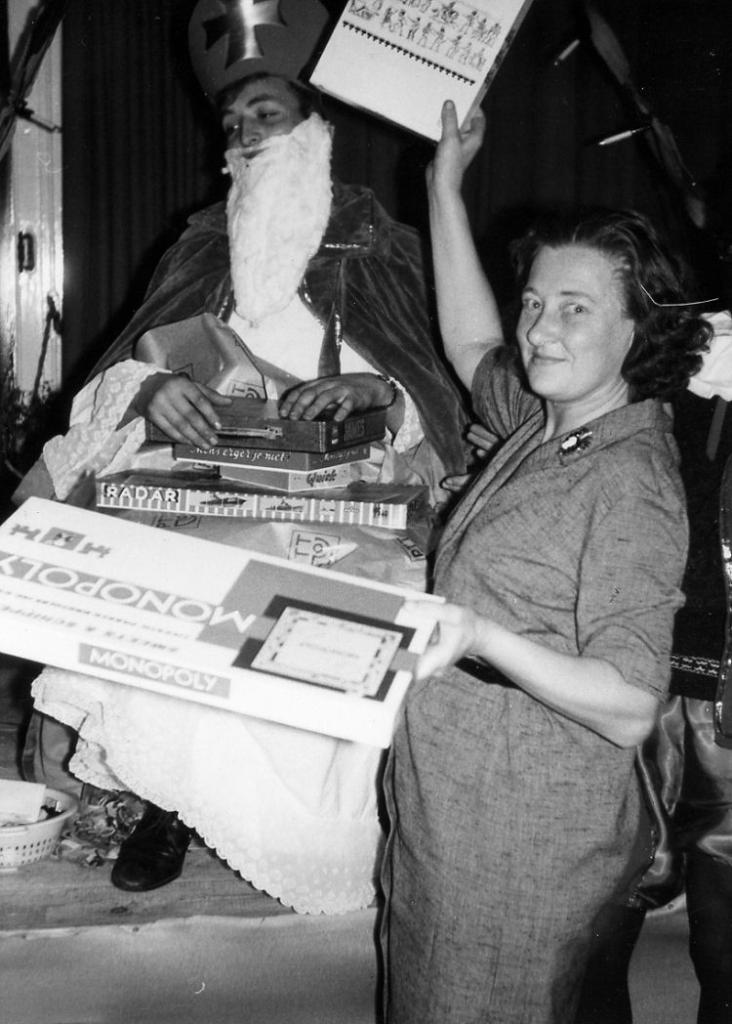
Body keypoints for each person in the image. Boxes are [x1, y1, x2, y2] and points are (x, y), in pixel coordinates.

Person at [21, 0, 469, 912]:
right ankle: (170, 804)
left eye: (267, 114)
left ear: (315, 127)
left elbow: (438, 395)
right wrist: (149, 389)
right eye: (233, 124)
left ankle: (309, 833)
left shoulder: (382, 244)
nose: (248, 135)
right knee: (156, 577)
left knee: (314, 596)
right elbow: (121, 375)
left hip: (348, 500)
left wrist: (376, 396)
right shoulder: (201, 245)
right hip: (199, 492)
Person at [378, 100, 713, 1023]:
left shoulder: (631, 482)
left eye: (575, 309)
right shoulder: (549, 419)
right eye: (534, 301)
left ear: (640, 330)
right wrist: (444, 185)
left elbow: (631, 704)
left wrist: (480, 635)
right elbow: (470, 342)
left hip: (522, 834)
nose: (539, 329)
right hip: (457, 802)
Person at [574, 310, 732, 1024]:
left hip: (713, 700)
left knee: (725, 944)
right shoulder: (656, 356)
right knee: (599, 923)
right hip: (638, 679)